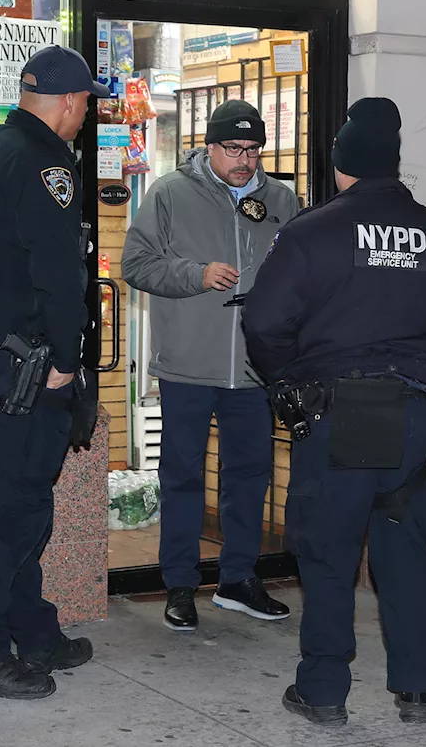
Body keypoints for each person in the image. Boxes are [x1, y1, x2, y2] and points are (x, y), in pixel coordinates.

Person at [242, 98, 426, 727]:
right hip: (411, 414)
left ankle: (324, 691)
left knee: (327, 553)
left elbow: (265, 323)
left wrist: (291, 382)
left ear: (340, 166)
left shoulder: (310, 232)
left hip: (336, 414)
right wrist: (423, 368)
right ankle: (416, 690)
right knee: (403, 550)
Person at [0, 45, 101, 699]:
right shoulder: (47, 165)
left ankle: (33, 629)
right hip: (27, 368)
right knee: (19, 509)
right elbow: (58, 278)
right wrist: (67, 363)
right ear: (69, 103)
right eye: (87, 103)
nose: (86, 113)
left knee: (24, 502)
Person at [122, 100, 299, 632]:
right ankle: (179, 583)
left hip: (253, 369)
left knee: (249, 476)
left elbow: (299, 273)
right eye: (233, 149)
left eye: (253, 150)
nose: (244, 160)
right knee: (182, 477)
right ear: (210, 146)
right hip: (187, 366)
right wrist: (196, 275)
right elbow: (136, 263)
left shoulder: (282, 200)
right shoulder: (170, 193)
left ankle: (239, 579)